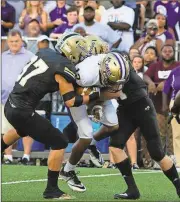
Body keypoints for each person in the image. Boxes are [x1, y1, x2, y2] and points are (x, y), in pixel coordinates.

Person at [1, 33, 100, 200]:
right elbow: (70, 101)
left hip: (11, 104)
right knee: (59, 141)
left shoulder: (45, 52)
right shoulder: (63, 67)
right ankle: (51, 190)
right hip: (23, 110)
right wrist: (93, 97)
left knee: (22, 130)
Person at [93, 51, 180, 199]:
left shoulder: (125, 71)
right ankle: (132, 189)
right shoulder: (111, 69)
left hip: (142, 107)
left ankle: (179, 187)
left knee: (156, 152)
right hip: (125, 110)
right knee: (115, 146)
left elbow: (113, 92)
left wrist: (93, 97)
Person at [59, 34, 125, 191]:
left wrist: (100, 101)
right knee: (86, 135)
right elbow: (75, 97)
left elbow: (116, 90)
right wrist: (95, 104)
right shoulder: (85, 73)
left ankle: (93, 145)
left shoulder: (112, 65)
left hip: (97, 91)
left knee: (114, 125)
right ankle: (67, 170)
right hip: (81, 96)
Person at [2, 29, 34, 164]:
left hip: (24, 99)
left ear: (22, 41)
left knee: (26, 127)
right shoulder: (2, 57)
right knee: (5, 128)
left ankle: (26, 156)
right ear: (7, 42)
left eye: (16, 41)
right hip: (4, 98)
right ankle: (8, 157)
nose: (14, 44)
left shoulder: (30, 56)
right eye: (11, 41)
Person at [163, 66, 180, 169]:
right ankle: (179, 160)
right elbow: (166, 88)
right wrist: (165, 105)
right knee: (177, 134)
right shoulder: (175, 71)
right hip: (176, 102)